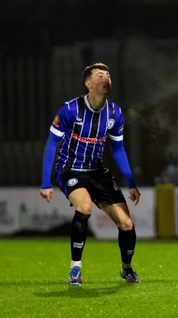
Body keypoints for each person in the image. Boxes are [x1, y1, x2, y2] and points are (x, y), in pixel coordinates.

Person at [39, 63, 141, 286]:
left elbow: (118, 149)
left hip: (97, 172)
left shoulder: (115, 113)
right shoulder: (70, 109)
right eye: (100, 75)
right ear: (88, 83)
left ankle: (127, 269)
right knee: (84, 208)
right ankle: (75, 269)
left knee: (127, 224)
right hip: (69, 169)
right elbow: (51, 144)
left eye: (108, 75)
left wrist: (131, 183)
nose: (106, 78)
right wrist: (45, 181)